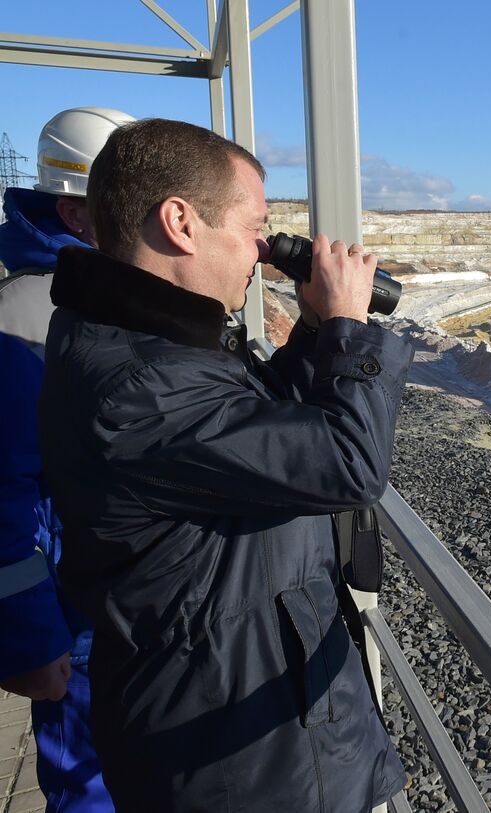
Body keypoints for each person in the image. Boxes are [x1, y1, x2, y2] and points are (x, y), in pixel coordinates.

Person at [36, 118, 410, 812]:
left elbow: (257, 434)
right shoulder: (138, 387)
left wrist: (312, 333)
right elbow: (348, 464)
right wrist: (348, 329)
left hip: (248, 727)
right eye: (254, 227)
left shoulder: (145, 344)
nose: (264, 250)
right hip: (237, 762)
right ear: (180, 222)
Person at [1, 106, 135, 813]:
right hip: (74, 617)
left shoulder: (96, 293)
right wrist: (29, 639)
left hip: (122, 600)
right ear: (72, 211)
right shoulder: (24, 315)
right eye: (124, 206)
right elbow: (4, 494)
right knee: (91, 791)